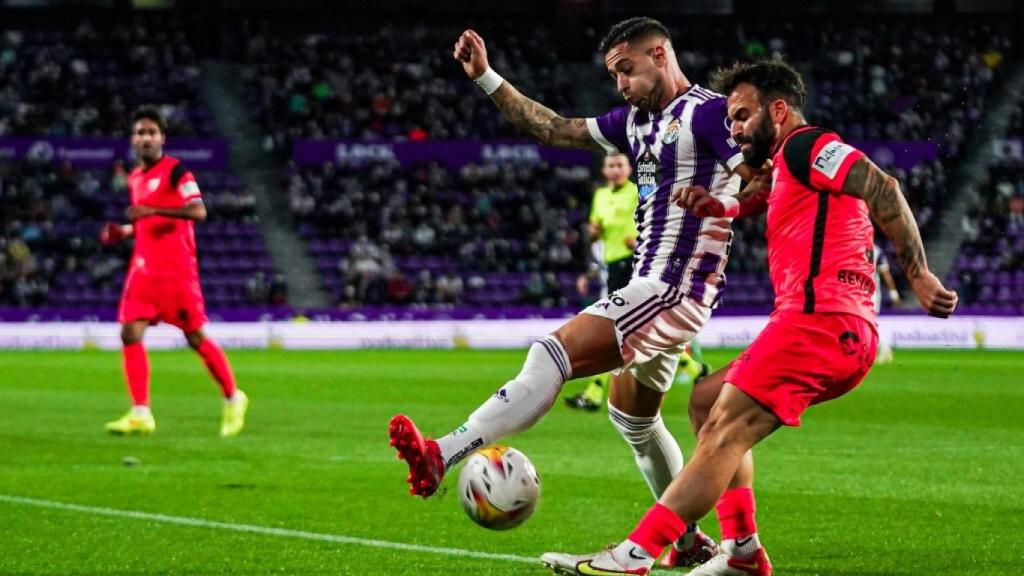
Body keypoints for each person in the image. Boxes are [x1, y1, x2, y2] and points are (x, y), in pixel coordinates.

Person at [540, 59, 957, 576]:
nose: (733, 128)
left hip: (820, 323)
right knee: (706, 399)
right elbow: (768, 194)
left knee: (724, 431)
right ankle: (741, 552)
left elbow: (883, 188)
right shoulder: (788, 163)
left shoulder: (807, 145)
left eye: (740, 116)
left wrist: (919, 276)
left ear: (778, 111)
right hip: (824, 328)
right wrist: (722, 208)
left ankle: (634, 556)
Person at [389, 17, 762, 568]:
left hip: (675, 284)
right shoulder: (634, 121)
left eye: (626, 70)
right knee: (633, 419)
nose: (620, 85)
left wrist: (725, 203)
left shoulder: (708, 112)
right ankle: (687, 541)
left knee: (552, 353)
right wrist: (488, 77)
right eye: (613, 75)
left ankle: (440, 454)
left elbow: (760, 179)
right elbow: (555, 129)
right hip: (652, 284)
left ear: (659, 54)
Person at [99, 105, 249, 437]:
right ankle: (141, 413)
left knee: (194, 337)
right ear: (133, 139)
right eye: (140, 132)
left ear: (162, 138)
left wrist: (152, 208)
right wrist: (125, 231)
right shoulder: (136, 177)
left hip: (177, 271)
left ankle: (233, 397)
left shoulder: (177, 172)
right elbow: (147, 222)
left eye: (152, 132)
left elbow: (198, 211)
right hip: (144, 270)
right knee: (129, 332)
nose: (146, 138)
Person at [565, 152, 638, 411]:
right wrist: (593, 233)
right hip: (612, 267)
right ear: (604, 170)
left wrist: (640, 241)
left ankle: (594, 393)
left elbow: (654, 224)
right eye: (611, 166)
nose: (615, 170)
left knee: (615, 330)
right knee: (623, 331)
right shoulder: (600, 196)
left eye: (620, 165)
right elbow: (596, 233)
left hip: (635, 262)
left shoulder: (638, 193)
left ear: (629, 168)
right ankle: (695, 371)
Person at [872, 241, 901, 364]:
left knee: (868, 323)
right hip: (867, 294)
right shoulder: (877, 250)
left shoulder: (874, 251)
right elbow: (886, 274)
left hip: (869, 294)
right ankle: (882, 348)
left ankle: (884, 347)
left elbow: (886, 274)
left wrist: (893, 293)